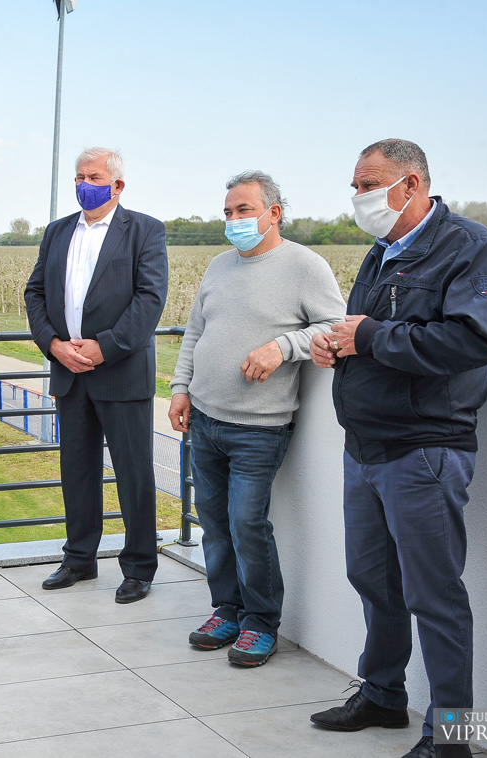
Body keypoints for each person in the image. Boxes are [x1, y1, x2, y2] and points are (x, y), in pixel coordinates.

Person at [308, 140, 487, 758]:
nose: (359, 197)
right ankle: (382, 695)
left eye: (369, 184)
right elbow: (369, 335)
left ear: (412, 184)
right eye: (355, 185)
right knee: (373, 580)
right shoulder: (381, 253)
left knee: (436, 598)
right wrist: (337, 345)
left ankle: (454, 741)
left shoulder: (470, 247)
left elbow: (475, 341)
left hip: (424, 449)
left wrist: (369, 336)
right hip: (366, 446)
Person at [168, 171, 345, 666]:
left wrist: (281, 347)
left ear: (274, 213)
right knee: (214, 523)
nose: (234, 220)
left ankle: (261, 623)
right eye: (228, 212)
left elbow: (335, 326)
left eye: (244, 210)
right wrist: (181, 388)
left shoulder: (305, 266)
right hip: (204, 419)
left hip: (260, 428)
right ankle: (226, 609)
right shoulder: (219, 266)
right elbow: (195, 333)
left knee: (247, 524)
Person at [24, 147, 168, 604]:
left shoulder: (144, 230)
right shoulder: (57, 231)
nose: (84, 184)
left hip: (121, 373)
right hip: (69, 371)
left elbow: (150, 298)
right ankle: (79, 559)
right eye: (79, 177)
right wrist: (54, 345)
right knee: (77, 471)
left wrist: (104, 347)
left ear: (117, 185)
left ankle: (139, 567)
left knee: (133, 474)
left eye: (94, 177)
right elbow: (35, 292)